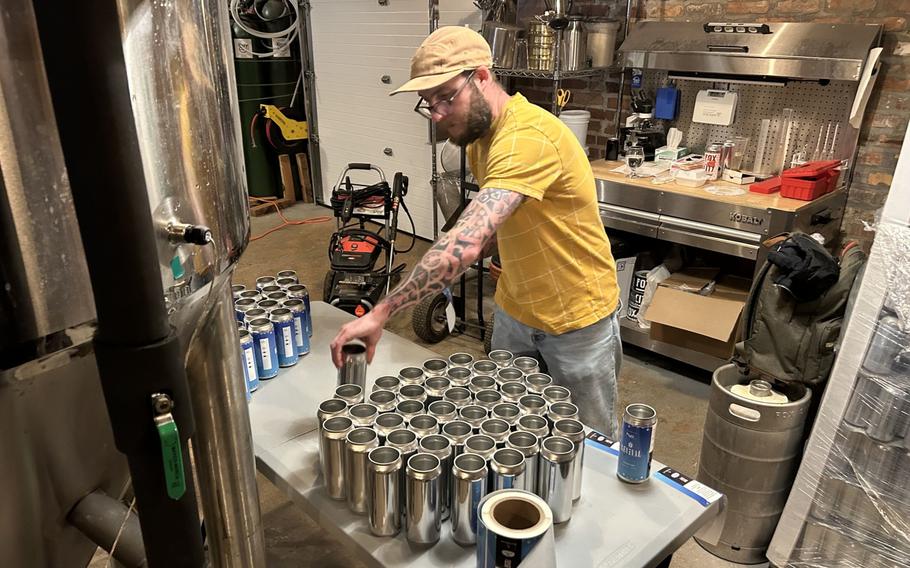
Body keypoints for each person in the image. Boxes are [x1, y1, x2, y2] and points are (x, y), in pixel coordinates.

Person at [330, 26, 622, 437]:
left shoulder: (527, 137)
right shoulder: (479, 138)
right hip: (516, 310)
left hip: (575, 319)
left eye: (446, 97)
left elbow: (465, 242)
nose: (437, 114)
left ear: (482, 77)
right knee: (509, 429)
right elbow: (485, 233)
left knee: (588, 442)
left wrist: (380, 312)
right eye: (427, 104)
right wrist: (464, 254)